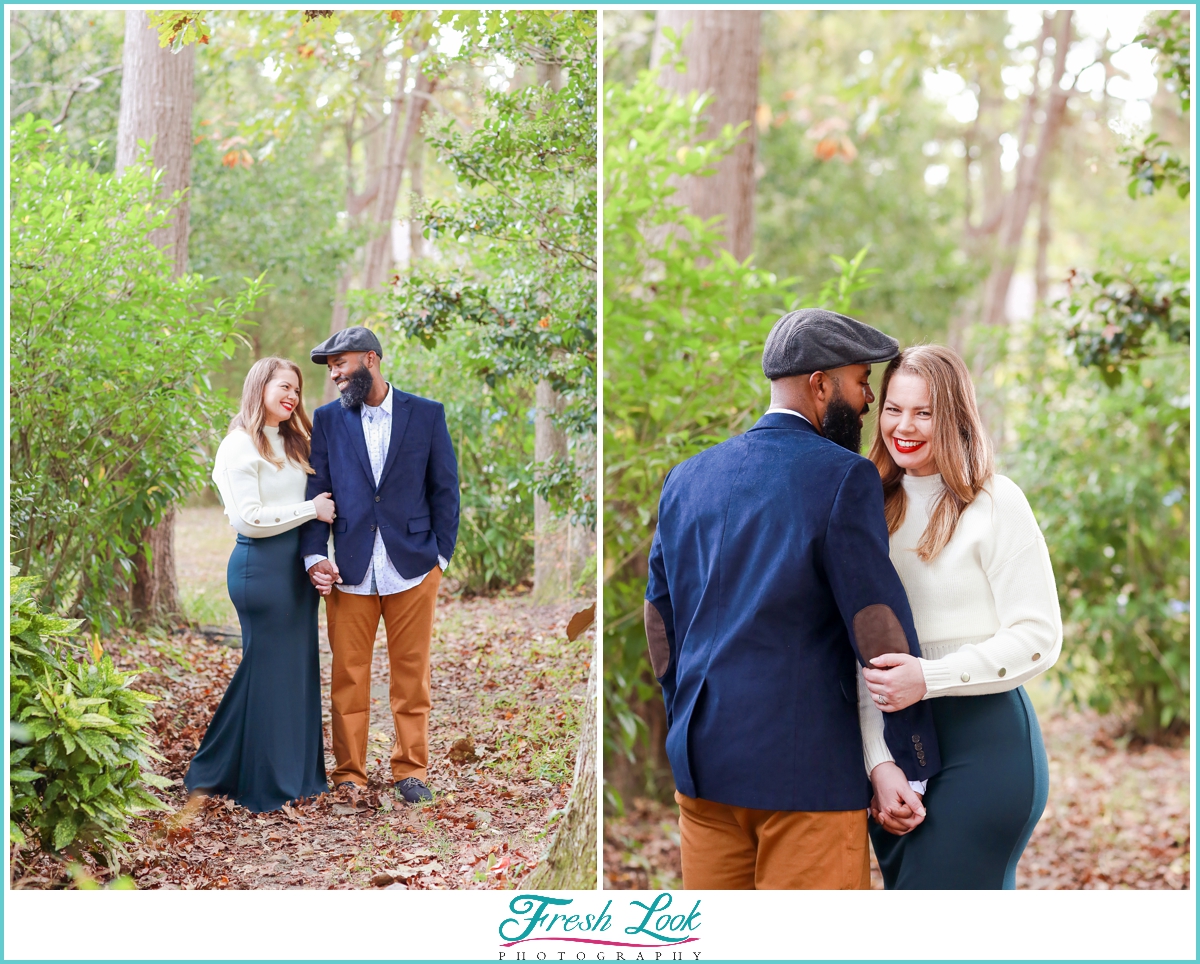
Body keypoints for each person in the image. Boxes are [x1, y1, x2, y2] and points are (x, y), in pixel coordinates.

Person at [644, 308, 941, 890]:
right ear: (821, 384)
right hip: (804, 776)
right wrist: (910, 760)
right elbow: (878, 628)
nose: (866, 404)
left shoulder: (687, 477)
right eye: (861, 383)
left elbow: (660, 619)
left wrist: (684, 714)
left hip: (702, 765)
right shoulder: (843, 477)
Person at [860, 344, 1061, 889]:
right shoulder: (864, 505)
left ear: (953, 415)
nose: (905, 426)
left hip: (985, 743)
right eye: (894, 408)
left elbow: (1039, 636)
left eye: (924, 412)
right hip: (894, 750)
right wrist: (879, 763)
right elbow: (854, 649)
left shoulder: (995, 501)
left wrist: (929, 678)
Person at [300, 326, 460, 805]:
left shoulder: (427, 414)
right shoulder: (326, 420)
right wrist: (314, 556)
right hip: (348, 569)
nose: (333, 374)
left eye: (340, 364)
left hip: (412, 566)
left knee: (412, 675)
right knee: (349, 676)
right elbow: (317, 491)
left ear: (370, 359)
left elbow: (445, 489)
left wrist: (440, 557)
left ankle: (410, 770)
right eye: (329, 367)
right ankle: (350, 774)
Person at [185, 357, 334, 813]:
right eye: (283, 386)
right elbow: (249, 520)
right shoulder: (237, 445)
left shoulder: (292, 441)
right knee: (266, 671)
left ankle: (293, 774)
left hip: (294, 570)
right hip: (260, 570)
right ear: (259, 387)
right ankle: (239, 776)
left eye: (296, 390)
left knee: (292, 671)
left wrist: (317, 553)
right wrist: (312, 511)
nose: (292, 396)